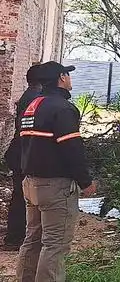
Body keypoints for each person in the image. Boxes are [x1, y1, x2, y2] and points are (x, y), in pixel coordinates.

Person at [16, 61, 96, 282]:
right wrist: (85, 181)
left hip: (31, 183)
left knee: (32, 239)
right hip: (55, 186)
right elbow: (72, 149)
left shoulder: (32, 105)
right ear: (62, 78)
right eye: (67, 75)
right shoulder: (63, 108)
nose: (70, 78)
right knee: (55, 245)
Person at [3, 64, 42, 251]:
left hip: (19, 153)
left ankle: (16, 237)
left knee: (21, 195)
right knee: (22, 196)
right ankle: (15, 238)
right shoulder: (34, 99)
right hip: (22, 155)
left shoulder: (31, 95)